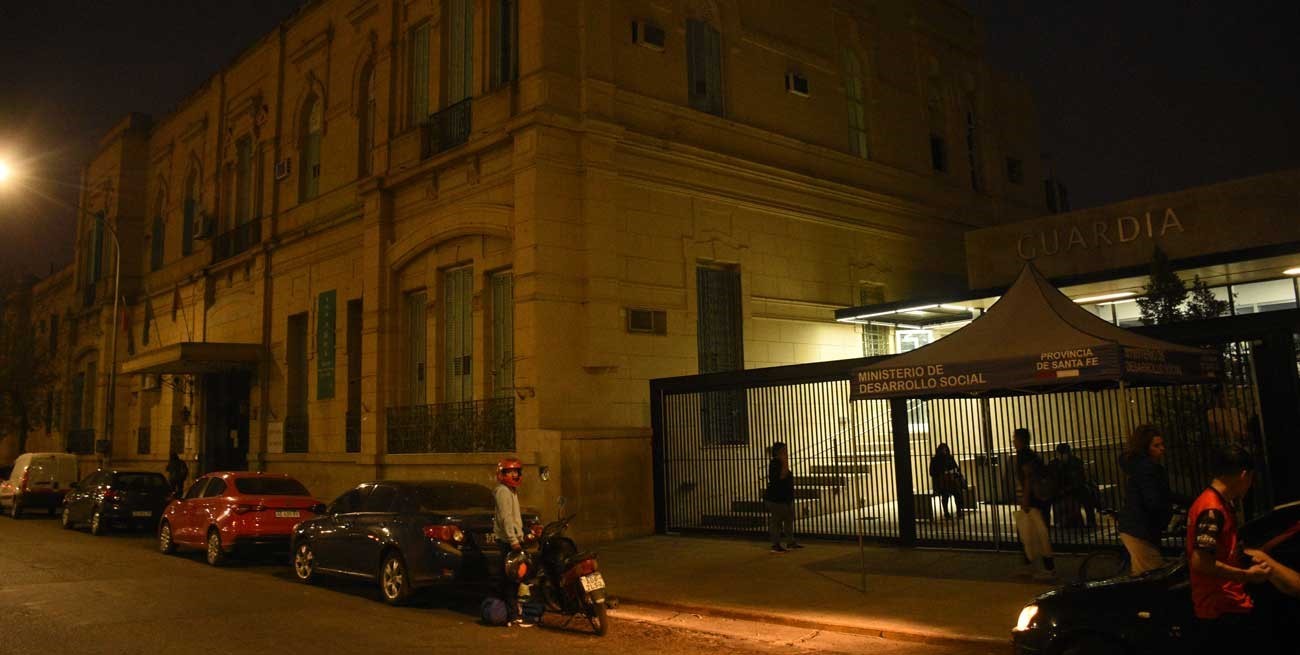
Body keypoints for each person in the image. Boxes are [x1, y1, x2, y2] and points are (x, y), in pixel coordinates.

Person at [1186, 446, 1273, 653]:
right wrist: (1247, 575)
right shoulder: (1212, 509)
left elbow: (1221, 551)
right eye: (1251, 479)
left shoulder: (1213, 502)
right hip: (1221, 605)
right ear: (1244, 475)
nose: (1250, 486)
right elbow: (1201, 561)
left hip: (1221, 604)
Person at [1117, 425, 1174, 576]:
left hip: (1138, 528)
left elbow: (1164, 494)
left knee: (1142, 574)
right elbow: (1153, 500)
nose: (1162, 449)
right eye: (1156, 445)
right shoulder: (1146, 469)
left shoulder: (1143, 468)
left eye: (1162, 444)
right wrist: (1164, 512)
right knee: (1154, 573)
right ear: (1145, 448)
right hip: (1140, 529)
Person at [492, 456, 532, 627]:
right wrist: (514, 540)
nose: (514, 475)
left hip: (513, 540)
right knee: (510, 579)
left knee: (514, 578)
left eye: (516, 471)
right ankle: (512, 616)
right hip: (508, 542)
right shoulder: (503, 491)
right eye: (510, 472)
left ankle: (513, 613)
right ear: (502, 474)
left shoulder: (511, 491)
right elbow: (506, 518)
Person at [1013, 427, 1056, 581]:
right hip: (1038, 500)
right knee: (1028, 533)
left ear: (1020, 440)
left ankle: (1048, 568)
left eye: (1015, 438)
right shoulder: (1030, 454)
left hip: (1034, 501)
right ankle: (1031, 565)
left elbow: (1028, 478)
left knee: (1038, 534)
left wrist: (1025, 499)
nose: (1013, 441)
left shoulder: (1024, 455)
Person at [1050, 443, 1097, 529]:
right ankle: (1059, 521)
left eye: (1066, 453)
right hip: (1060, 489)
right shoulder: (1054, 463)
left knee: (1086, 493)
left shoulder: (1076, 462)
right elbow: (1052, 479)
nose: (1064, 456)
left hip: (1075, 488)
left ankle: (1091, 521)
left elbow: (1080, 479)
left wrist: (1068, 488)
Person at [765, 441, 799, 553]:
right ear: (778, 452)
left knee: (789, 520)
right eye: (784, 450)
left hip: (786, 498)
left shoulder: (782, 462)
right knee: (777, 521)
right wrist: (784, 463)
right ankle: (775, 544)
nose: (786, 453)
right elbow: (781, 477)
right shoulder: (775, 463)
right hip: (776, 498)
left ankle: (790, 542)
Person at [929, 443, 962, 520]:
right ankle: (946, 512)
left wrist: (952, 471)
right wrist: (941, 473)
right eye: (942, 449)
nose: (944, 451)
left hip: (951, 480)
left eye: (945, 449)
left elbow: (957, 468)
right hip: (941, 482)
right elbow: (931, 472)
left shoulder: (950, 458)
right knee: (945, 495)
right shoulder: (935, 460)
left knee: (957, 493)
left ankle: (959, 511)